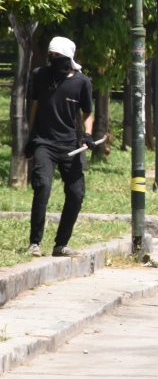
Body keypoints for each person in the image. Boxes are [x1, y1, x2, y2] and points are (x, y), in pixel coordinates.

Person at [26, 36, 98, 258]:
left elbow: (88, 112)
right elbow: (35, 107)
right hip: (44, 142)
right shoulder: (40, 75)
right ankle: (34, 243)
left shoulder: (81, 82)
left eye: (59, 56)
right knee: (43, 186)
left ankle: (61, 244)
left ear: (68, 57)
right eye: (52, 55)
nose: (54, 59)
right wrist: (31, 138)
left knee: (76, 193)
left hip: (70, 145)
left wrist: (87, 135)